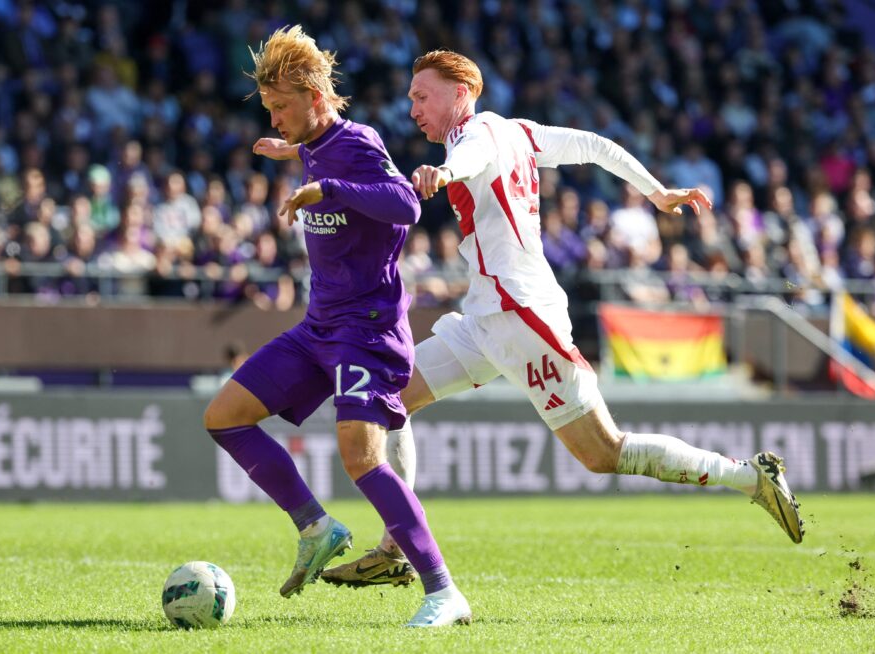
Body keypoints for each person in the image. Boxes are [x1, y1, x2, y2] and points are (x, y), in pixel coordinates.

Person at [322, 50, 803, 589]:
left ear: (461, 92)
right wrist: (657, 192)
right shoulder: (520, 132)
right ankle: (397, 548)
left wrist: (444, 171)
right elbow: (593, 146)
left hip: (524, 320)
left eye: (421, 95)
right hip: (487, 315)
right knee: (392, 398)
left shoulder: (475, 135)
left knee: (604, 452)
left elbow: (470, 158)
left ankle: (749, 477)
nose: (411, 108)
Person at [202, 28, 471, 628]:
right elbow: (318, 152)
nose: (274, 116)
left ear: (317, 96)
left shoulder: (357, 143)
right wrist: (292, 151)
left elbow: (405, 203)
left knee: (359, 457)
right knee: (223, 417)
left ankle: (442, 590)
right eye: (270, 108)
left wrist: (329, 186)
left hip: (367, 329)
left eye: (282, 108)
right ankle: (316, 527)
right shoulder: (314, 143)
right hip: (319, 326)